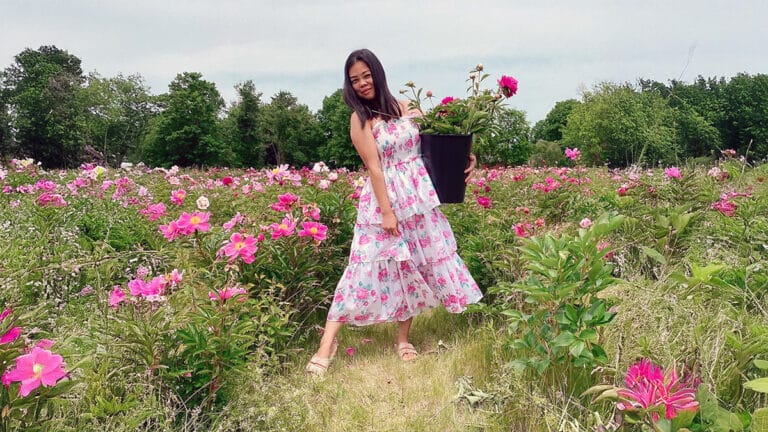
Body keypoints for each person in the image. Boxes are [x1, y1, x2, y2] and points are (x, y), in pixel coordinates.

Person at [306, 49, 482, 375]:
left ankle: (403, 340)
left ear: (378, 73)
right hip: (382, 202)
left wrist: (467, 157)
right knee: (360, 268)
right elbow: (374, 168)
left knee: (410, 267)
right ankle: (326, 345)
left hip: (417, 201)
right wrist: (387, 213)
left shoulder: (406, 108)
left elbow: (437, 143)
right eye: (354, 80)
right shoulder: (360, 119)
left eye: (366, 75)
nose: (362, 83)